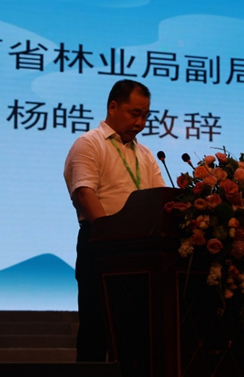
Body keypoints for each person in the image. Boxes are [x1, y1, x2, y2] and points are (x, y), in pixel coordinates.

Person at [64, 79, 165, 362]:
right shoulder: (89, 143)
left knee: (136, 336)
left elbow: (161, 200)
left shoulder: (145, 154)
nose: (141, 123)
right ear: (112, 107)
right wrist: (109, 240)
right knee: (96, 331)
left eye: (145, 116)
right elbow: (85, 192)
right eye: (135, 114)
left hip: (141, 253)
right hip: (100, 247)